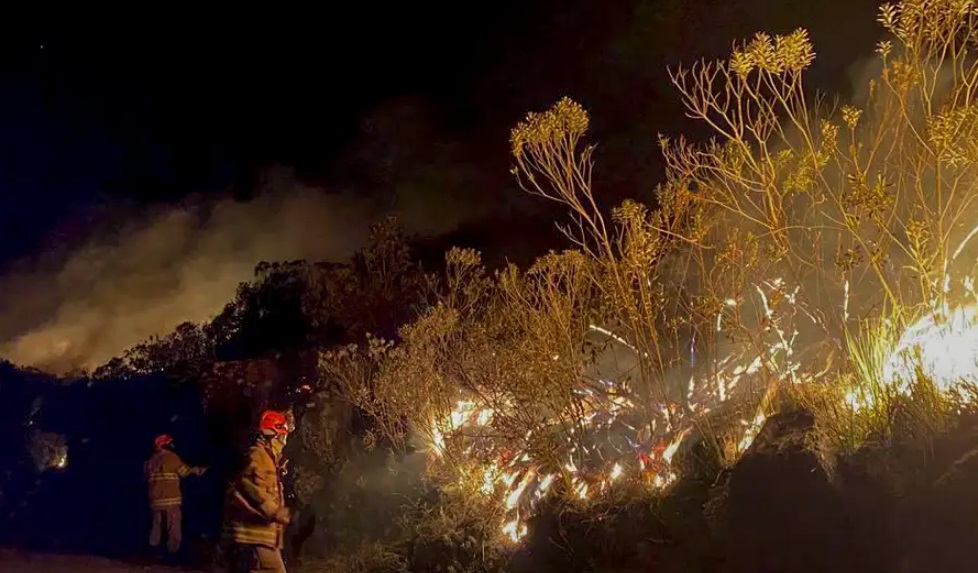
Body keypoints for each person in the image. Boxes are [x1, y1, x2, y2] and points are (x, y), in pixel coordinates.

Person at [224, 409, 293, 573]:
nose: (284, 441)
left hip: (261, 529)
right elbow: (251, 486)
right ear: (273, 436)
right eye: (283, 436)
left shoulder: (267, 458)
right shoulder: (257, 455)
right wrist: (274, 511)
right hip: (256, 528)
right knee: (275, 570)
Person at [144, 433, 207, 559]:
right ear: (166, 444)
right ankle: (173, 553)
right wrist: (199, 470)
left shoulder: (149, 462)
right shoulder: (172, 457)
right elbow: (184, 472)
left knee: (156, 526)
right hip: (170, 500)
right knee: (173, 527)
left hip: (154, 502)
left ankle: (153, 551)